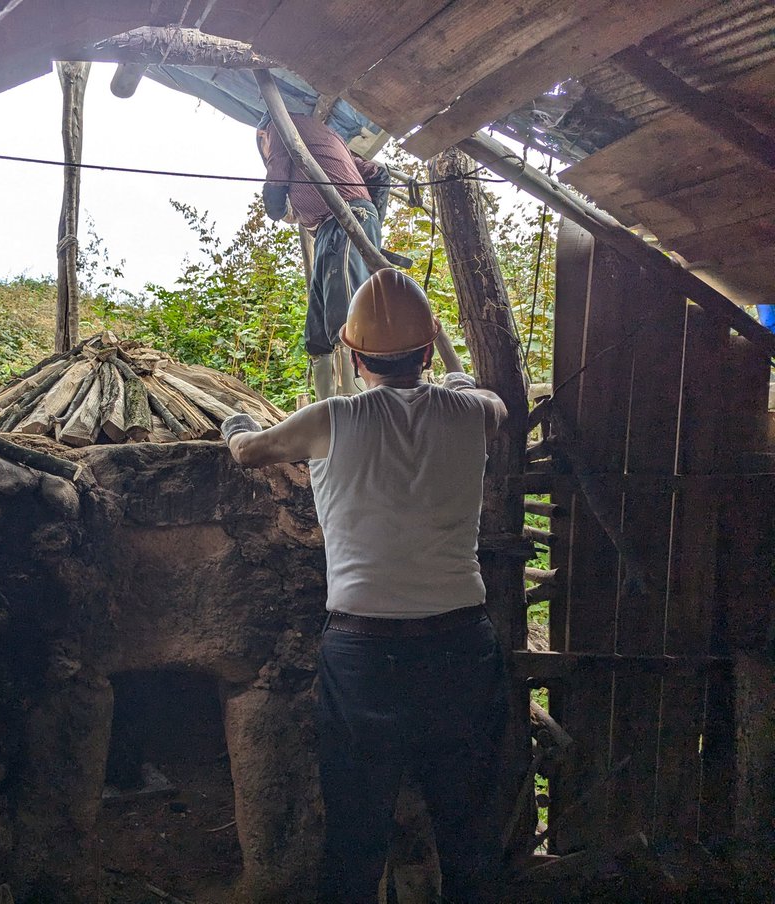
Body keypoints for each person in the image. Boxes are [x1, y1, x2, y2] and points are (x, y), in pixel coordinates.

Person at [221, 269, 509, 903]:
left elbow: (248, 453)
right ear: (429, 349)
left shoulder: (331, 420)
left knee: (355, 829)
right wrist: (457, 374)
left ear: (352, 355)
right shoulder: (473, 414)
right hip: (463, 645)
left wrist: (235, 423)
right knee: (467, 828)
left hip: (362, 655)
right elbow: (492, 402)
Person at [257, 112, 392, 400]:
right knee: (318, 324)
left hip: (344, 218)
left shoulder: (278, 126)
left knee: (344, 309)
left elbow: (276, 178)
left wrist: (277, 208)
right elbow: (378, 174)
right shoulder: (330, 140)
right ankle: (327, 405)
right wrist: (371, 229)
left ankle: (357, 401)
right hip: (330, 229)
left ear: (262, 138)